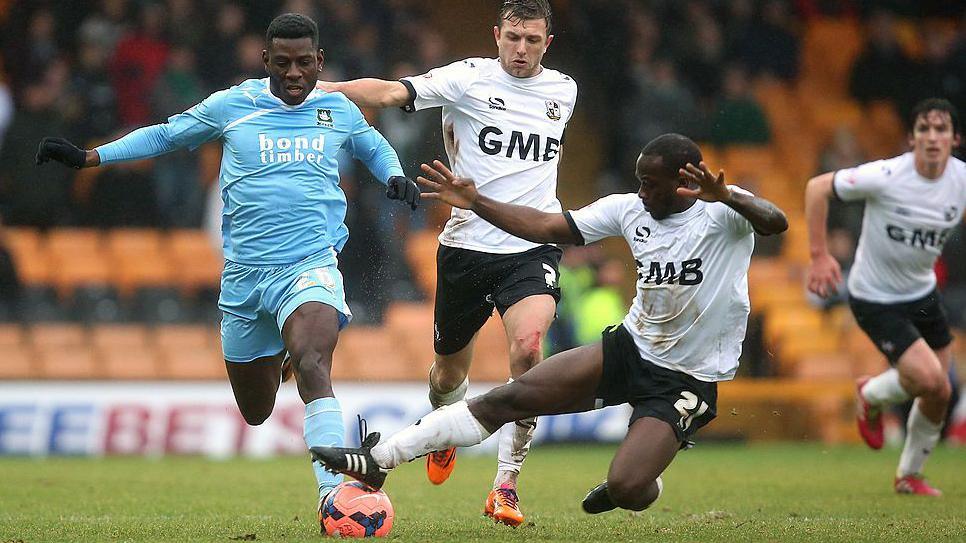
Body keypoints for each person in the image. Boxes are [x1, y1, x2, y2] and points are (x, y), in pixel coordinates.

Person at [34, 13, 420, 530]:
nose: (294, 73)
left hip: (309, 266)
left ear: (319, 62)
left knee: (313, 363)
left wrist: (393, 175)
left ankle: (333, 498)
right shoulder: (233, 105)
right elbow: (166, 136)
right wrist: (90, 157)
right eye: (282, 63)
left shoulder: (338, 108)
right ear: (266, 62)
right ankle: (280, 349)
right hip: (244, 279)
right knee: (257, 409)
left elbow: (371, 145)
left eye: (305, 63)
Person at [310, 134, 788, 516]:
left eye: (651, 184)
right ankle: (379, 461)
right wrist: (476, 203)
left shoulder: (726, 212)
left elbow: (777, 222)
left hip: (687, 378)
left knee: (626, 486)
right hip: (631, 347)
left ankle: (642, 479)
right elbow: (543, 227)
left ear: (683, 185)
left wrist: (730, 196)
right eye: (639, 181)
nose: (642, 192)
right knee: (508, 398)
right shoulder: (629, 209)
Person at [318, 0, 577, 525]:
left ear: (547, 43)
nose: (521, 49)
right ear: (496, 35)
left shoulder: (563, 91)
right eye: (512, 38)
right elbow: (391, 93)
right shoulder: (467, 80)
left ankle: (506, 483)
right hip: (465, 247)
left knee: (528, 353)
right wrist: (318, 90)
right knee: (445, 375)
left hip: (531, 245)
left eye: (532, 40)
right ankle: (444, 427)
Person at [805, 98, 965, 496]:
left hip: (922, 291)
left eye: (940, 129)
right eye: (924, 129)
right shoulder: (887, 175)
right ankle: (874, 395)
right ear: (911, 138)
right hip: (874, 296)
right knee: (931, 378)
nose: (932, 137)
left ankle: (908, 472)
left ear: (954, 138)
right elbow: (816, 188)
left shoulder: (961, 180)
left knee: (940, 390)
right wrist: (820, 255)